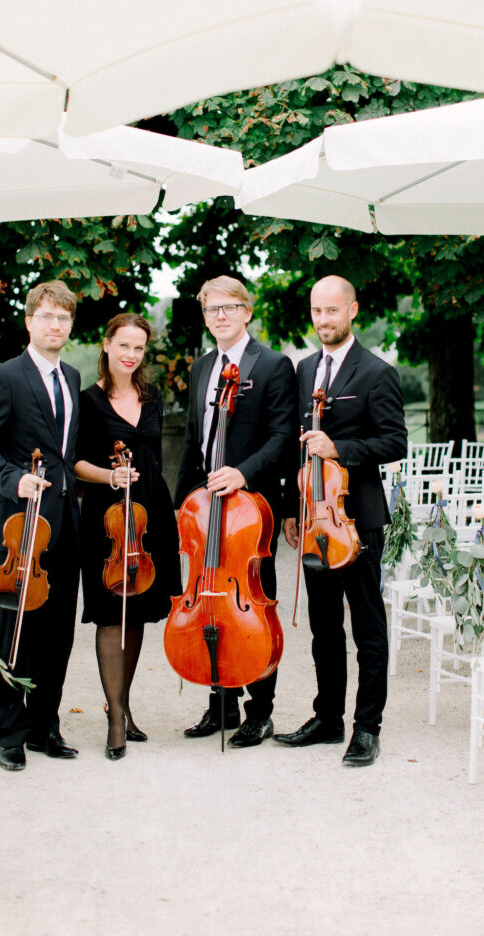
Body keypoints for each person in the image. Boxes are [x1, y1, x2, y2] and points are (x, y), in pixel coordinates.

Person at [275, 274, 408, 766]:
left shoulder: (376, 372)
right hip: (314, 519)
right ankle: (328, 718)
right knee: (324, 627)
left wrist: (341, 448)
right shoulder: (303, 368)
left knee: (368, 626)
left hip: (358, 520)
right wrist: (292, 507)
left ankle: (367, 728)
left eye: (333, 311)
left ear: (353, 311)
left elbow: (396, 442)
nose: (323, 320)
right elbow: (296, 444)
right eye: (317, 311)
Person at [0, 280, 81, 772]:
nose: (56, 326)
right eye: (47, 317)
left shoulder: (72, 376)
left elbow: (65, 452)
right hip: (19, 530)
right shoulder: (4, 376)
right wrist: (15, 480)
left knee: (56, 632)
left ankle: (45, 725)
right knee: (12, 629)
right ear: (29, 320)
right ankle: (9, 733)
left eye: (64, 318)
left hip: (66, 524)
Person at [174, 276, 296, 748]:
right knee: (208, 599)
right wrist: (181, 503)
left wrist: (242, 473)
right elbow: (193, 441)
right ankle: (219, 702)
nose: (219, 316)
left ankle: (259, 711)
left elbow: (282, 437)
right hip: (205, 509)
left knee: (252, 604)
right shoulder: (203, 367)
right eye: (211, 309)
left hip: (251, 508)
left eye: (229, 308)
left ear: (247, 311)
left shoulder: (272, 365)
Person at [75, 313, 181, 761]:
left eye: (139, 348)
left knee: (136, 611)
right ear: (105, 344)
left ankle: (123, 703)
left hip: (149, 513)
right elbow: (76, 463)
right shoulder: (87, 401)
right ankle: (115, 717)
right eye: (124, 346)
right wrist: (110, 475)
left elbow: (154, 457)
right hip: (108, 516)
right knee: (110, 612)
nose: (131, 355)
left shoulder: (151, 396)